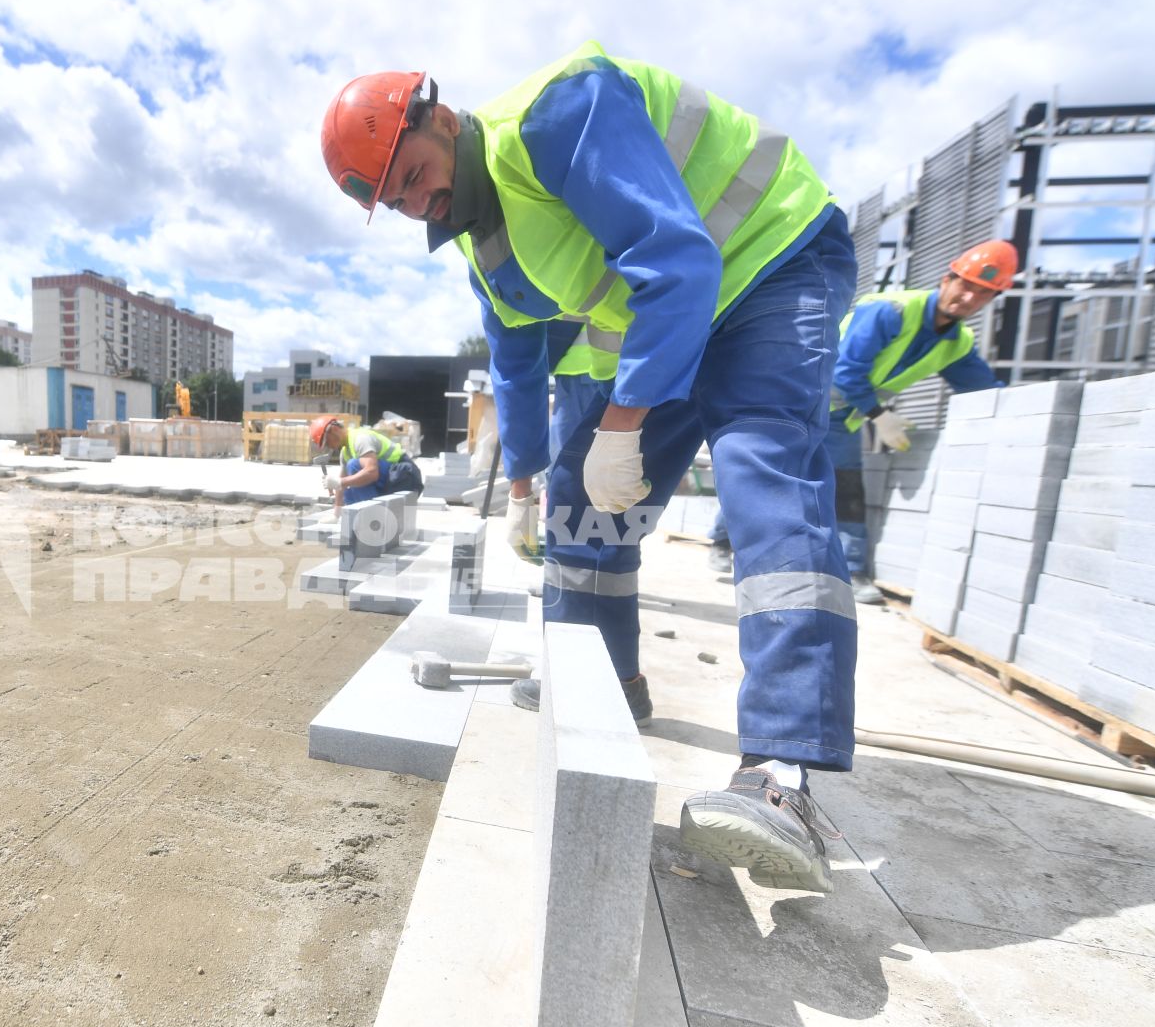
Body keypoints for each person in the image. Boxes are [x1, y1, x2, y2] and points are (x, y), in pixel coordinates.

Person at [322, 43, 857, 892]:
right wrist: (529, 486)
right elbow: (517, 365)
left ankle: (783, 776)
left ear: (441, 117)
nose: (421, 200)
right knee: (582, 509)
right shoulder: (480, 247)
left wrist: (622, 426)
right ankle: (606, 686)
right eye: (399, 201)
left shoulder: (559, 112)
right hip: (677, 322)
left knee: (765, 479)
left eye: (416, 172)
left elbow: (678, 260)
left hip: (770, 263)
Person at [824, 240, 1013, 603]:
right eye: (966, 285)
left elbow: (982, 389)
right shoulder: (892, 310)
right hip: (802, 397)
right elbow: (846, 371)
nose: (969, 298)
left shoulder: (956, 342)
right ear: (948, 279)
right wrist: (881, 417)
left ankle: (851, 570)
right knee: (774, 469)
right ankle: (725, 538)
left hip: (841, 417)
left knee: (845, 488)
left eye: (983, 294)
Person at [309, 415, 424, 510]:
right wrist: (336, 513)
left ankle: (373, 518)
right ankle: (371, 521)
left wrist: (340, 482)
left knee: (354, 465)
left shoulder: (360, 439)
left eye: (327, 442)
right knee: (349, 494)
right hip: (392, 478)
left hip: (406, 475)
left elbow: (372, 472)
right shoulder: (345, 453)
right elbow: (341, 487)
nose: (329, 447)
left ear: (333, 430)